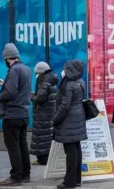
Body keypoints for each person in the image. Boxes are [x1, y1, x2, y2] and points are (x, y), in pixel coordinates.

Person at [0, 43, 32, 187]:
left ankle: (15, 176)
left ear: (7, 58)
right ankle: (25, 174)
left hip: (13, 114)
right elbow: (20, 89)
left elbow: (10, 92)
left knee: (13, 145)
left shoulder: (14, 70)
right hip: (24, 113)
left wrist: (0, 97)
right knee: (22, 144)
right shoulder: (26, 68)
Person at [53, 60, 87, 189]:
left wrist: (55, 119)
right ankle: (77, 178)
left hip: (69, 121)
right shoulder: (80, 82)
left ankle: (69, 182)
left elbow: (65, 106)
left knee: (71, 152)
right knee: (76, 150)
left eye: (65, 69)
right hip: (77, 118)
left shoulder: (69, 85)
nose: (63, 71)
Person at [30, 62, 58, 165]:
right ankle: (44, 159)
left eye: (37, 73)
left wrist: (31, 96)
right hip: (49, 112)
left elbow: (40, 98)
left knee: (41, 136)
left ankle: (42, 159)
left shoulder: (44, 82)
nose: (36, 75)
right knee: (46, 136)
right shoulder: (51, 80)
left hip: (43, 113)